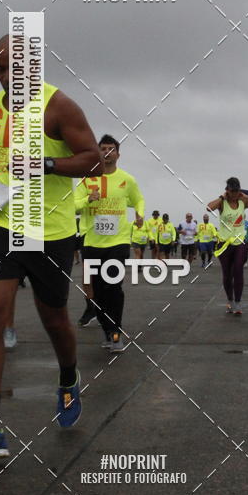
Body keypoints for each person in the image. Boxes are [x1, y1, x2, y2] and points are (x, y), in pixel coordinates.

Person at [0, 35, 102, 462]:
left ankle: (67, 376)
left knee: (54, 316)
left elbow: (92, 159)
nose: (7, 77)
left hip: (49, 230)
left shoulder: (59, 107)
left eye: (15, 69)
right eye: (0, 69)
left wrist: (47, 163)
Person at [75, 134, 144, 352]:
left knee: (113, 286)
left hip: (119, 241)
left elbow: (138, 199)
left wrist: (140, 214)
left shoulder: (127, 179)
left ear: (118, 153)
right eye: (103, 148)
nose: (107, 152)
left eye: (111, 149)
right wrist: (88, 200)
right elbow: (73, 205)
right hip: (93, 242)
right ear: (98, 152)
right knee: (97, 289)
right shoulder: (87, 179)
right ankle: (107, 331)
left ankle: (116, 333)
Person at [207, 177, 248, 315]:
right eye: (232, 191)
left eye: (237, 191)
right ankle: (230, 300)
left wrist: (247, 197)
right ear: (227, 191)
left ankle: (238, 303)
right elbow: (209, 207)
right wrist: (222, 197)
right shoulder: (222, 203)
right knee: (227, 274)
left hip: (240, 241)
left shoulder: (242, 201)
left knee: (238, 269)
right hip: (224, 243)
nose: (234, 194)